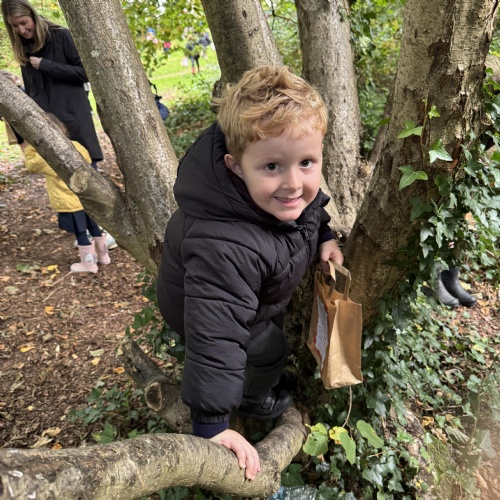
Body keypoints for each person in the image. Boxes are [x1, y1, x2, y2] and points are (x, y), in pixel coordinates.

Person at [156, 66, 343, 480]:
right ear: (236, 166)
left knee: (262, 331)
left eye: (307, 162)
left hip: (244, 295)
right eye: (272, 167)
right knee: (269, 349)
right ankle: (253, 398)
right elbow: (216, 335)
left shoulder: (281, 197)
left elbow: (309, 211)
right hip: (202, 306)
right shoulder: (225, 244)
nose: (293, 183)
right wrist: (212, 425)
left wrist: (326, 236)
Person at [1, 0, 103, 169]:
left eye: (24, 22)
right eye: (14, 26)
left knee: (87, 171)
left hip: (74, 120)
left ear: (33, 15)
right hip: (49, 128)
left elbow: (85, 73)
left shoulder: (61, 35)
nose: (21, 30)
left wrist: (45, 65)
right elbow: (32, 91)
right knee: (58, 180)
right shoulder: (23, 48)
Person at [23, 113, 111, 273]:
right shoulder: (75, 145)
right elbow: (88, 160)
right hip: (85, 197)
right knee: (94, 226)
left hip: (68, 202)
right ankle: (103, 256)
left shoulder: (46, 155)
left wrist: (30, 147)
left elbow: (30, 166)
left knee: (81, 232)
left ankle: (89, 264)